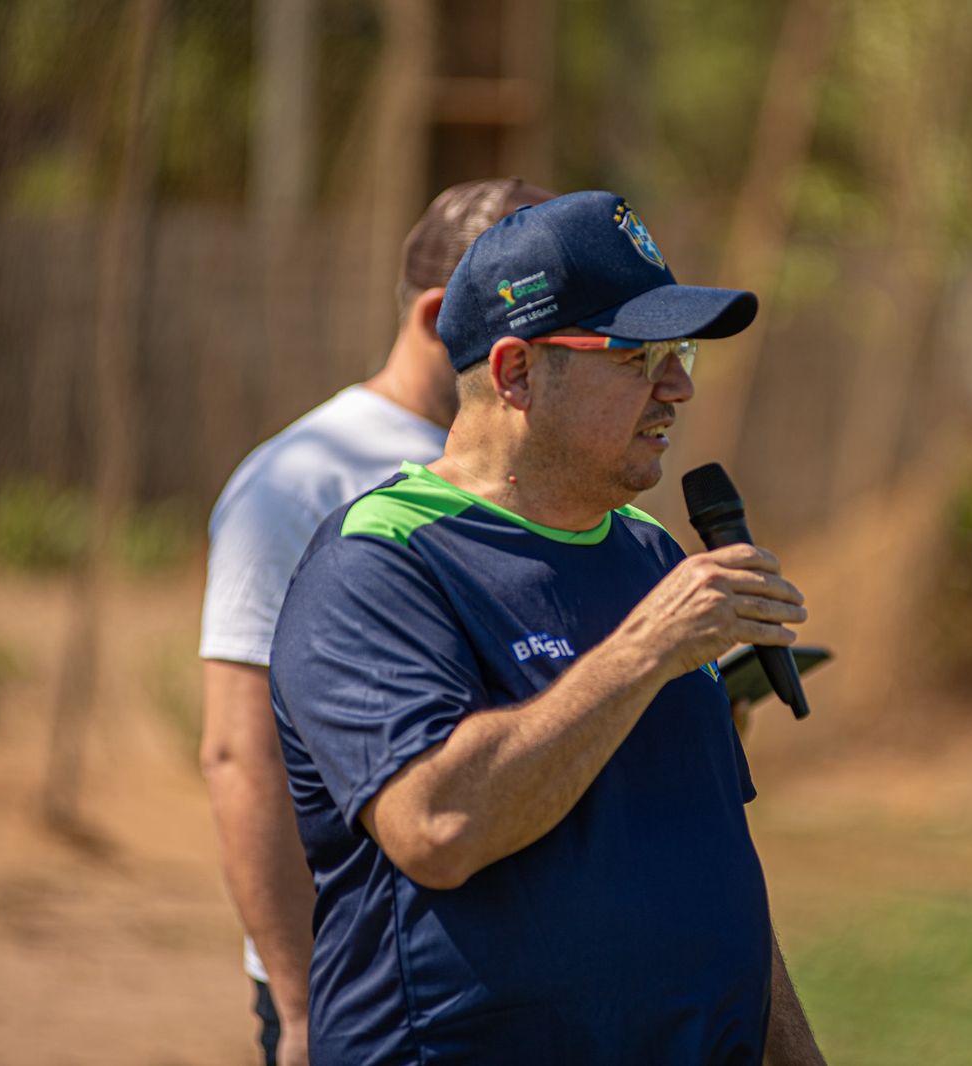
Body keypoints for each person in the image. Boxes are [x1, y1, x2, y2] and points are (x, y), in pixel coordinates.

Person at [270, 190, 826, 1064]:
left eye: (678, 353)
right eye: (637, 357)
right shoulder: (379, 560)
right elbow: (437, 826)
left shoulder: (650, 554)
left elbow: (714, 866)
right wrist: (645, 651)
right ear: (517, 373)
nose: (678, 387)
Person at [199, 178, 554, 1066]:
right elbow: (242, 753)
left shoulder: (531, 474)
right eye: (527, 334)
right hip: (358, 982)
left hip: (512, 969)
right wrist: (298, 1000)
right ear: (441, 316)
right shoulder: (300, 481)